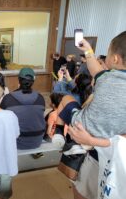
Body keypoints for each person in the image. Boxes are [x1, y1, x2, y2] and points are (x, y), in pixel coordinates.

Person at [55, 34, 126, 199]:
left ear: (115, 58)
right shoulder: (106, 77)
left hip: (88, 134)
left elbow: (96, 70)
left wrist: (89, 52)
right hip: (110, 146)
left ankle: (61, 133)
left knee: (66, 99)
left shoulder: (106, 77)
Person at [0, 68, 46, 149]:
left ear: (19, 80)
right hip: (37, 141)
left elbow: (0, 119)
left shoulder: (8, 98)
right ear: (33, 81)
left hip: (15, 142)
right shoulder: (40, 98)